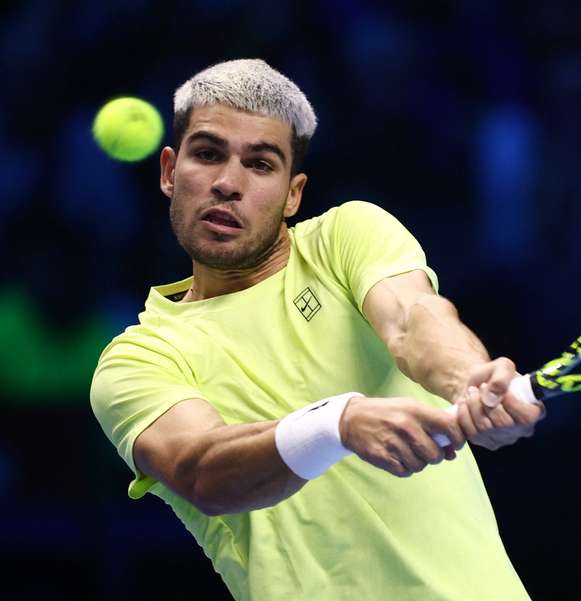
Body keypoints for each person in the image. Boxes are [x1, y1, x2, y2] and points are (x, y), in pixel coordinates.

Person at [90, 58, 544, 601]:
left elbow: (413, 318)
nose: (228, 183)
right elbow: (202, 469)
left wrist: (470, 381)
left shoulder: (345, 237)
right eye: (208, 154)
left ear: (293, 194)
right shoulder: (138, 360)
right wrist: (336, 425)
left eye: (261, 165)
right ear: (170, 171)